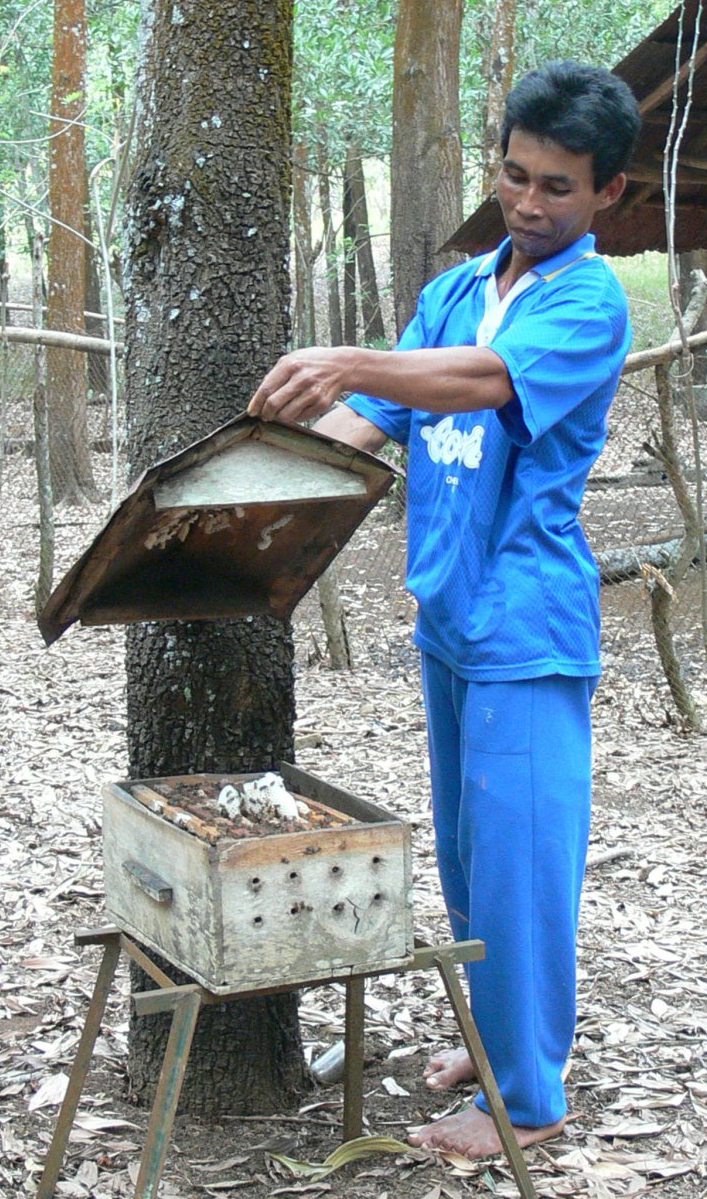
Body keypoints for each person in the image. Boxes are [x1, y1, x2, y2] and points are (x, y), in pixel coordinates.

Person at [248, 60, 641, 1159]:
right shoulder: (462, 286)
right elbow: (373, 416)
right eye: (515, 175)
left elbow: (475, 384)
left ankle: (528, 1095)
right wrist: (252, 477)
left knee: (522, 859)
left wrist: (347, 359)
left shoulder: (587, 299)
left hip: (527, 620)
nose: (529, 202)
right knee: (470, 857)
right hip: (449, 613)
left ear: (606, 192)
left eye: (558, 186)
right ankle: (494, 1034)